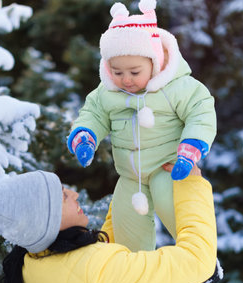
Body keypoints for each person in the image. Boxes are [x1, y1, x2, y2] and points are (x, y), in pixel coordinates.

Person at [67, 0, 217, 251]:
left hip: (168, 166)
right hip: (129, 174)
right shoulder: (107, 92)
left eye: (134, 72)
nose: (125, 80)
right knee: (127, 223)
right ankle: (134, 266)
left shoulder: (177, 87)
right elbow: (93, 113)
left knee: (175, 208)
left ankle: (204, 261)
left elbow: (200, 112)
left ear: (155, 62)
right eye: (116, 71)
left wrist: (191, 148)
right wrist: (86, 136)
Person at [0, 165, 219, 283]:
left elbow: (94, 266)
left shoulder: (29, 263)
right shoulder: (96, 272)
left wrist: (130, 189)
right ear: (47, 220)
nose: (74, 195)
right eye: (64, 196)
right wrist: (191, 185)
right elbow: (198, 262)